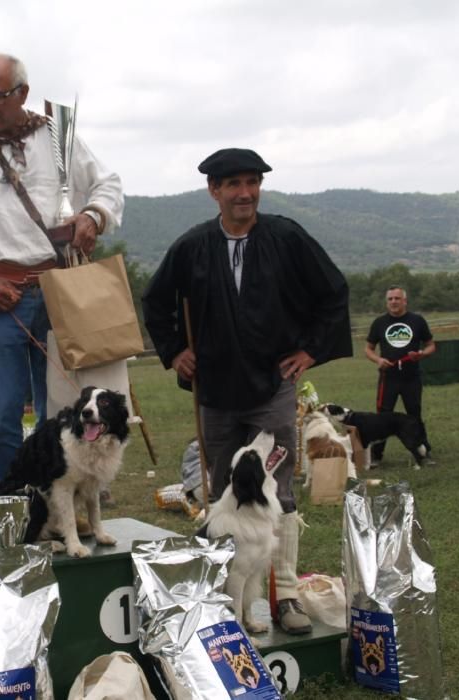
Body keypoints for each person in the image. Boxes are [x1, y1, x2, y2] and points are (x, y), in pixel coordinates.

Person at [142, 148, 352, 635]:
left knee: (278, 489)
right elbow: (156, 301)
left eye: (252, 182)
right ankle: (225, 600)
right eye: (233, 184)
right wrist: (175, 351)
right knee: (221, 492)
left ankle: (286, 598)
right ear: (213, 191)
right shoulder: (193, 246)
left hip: (272, 384)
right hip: (214, 389)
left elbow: (333, 291)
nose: (244, 193)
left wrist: (309, 352)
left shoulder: (287, 238)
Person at [0, 53, 124, 486]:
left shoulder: (55, 135)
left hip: (59, 293)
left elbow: (108, 185)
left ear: (22, 93)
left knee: (61, 409)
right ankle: (8, 507)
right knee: (2, 412)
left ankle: (59, 499)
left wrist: (93, 216)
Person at [364, 286, 436, 465]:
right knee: (382, 417)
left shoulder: (417, 320)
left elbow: (431, 345)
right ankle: (376, 456)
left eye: (397, 298)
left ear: (405, 301)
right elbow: (368, 349)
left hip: (411, 378)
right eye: (390, 299)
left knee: (414, 415)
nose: (394, 302)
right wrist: (378, 360)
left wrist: (422, 354)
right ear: (387, 302)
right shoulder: (379, 323)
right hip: (388, 378)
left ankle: (422, 452)